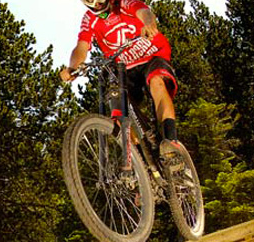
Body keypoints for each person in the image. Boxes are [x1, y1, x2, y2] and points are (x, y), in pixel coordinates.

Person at [60, 0, 182, 157]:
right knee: (118, 107)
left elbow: (144, 12)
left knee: (157, 82)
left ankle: (171, 142)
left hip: (151, 56)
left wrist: (149, 24)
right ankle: (143, 162)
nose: (97, 4)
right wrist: (73, 67)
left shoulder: (122, 3)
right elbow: (82, 46)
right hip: (124, 68)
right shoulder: (89, 19)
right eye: (91, 0)